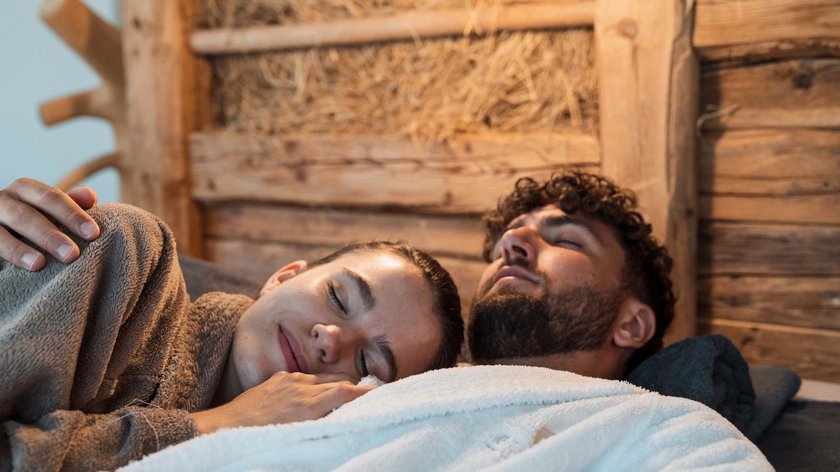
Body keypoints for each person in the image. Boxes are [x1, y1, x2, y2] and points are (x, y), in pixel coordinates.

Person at [0, 181, 463, 470]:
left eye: (368, 360)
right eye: (338, 297)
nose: (332, 339)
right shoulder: (129, 254)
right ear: (285, 276)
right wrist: (216, 425)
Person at [468, 172, 675, 379]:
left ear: (631, 326)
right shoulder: (436, 388)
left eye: (565, 240)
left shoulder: (677, 412)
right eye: (497, 252)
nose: (509, 240)